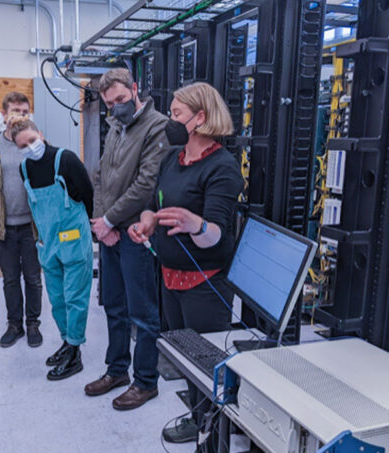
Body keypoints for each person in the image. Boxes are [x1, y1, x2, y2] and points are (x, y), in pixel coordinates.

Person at [128, 82, 242, 449]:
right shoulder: (172, 159)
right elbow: (153, 201)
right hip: (170, 279)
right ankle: (197, 421)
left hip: (205, 287)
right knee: (186, 363)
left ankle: (214, 435)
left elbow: (218, 237)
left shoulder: (222, 167)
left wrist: (197, 225)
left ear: (201, 118)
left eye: (177, 115)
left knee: (209, 367)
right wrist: (147, 221)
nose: (170, 121)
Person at [84, 68, 169, 411]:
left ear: (135, 90)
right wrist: (103, 223)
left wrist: (108, 219)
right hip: (113, 232)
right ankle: (117, 370)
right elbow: (101, 175)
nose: (116, 107)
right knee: (114, 307)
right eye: (109, 103)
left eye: (120, 99)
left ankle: (146, 381)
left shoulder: (157, 126)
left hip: (137, 232)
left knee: (143, 312)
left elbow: (146, 185)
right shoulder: (116, 126)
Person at [11, 119, 94, 381]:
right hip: (48, 243)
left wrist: (87, 229)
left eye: (32, 141)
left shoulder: (65, 160)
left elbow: (87, 194)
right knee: (57, 300)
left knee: (74, 298)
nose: (29, 147)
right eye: (22, 145)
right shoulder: (25, 169)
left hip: (74, 240)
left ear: (40, 134)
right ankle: (66, 341)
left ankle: (75, 351)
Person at [0, 92, 43, 348]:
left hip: (31, 226)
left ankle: (33, 323)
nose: (20, 116)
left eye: (25, 112)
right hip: (3, 226)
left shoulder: (35, 142)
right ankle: (15, 325)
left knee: (33, 278)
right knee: (11, 279)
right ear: (3, 115)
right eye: (15, 111)